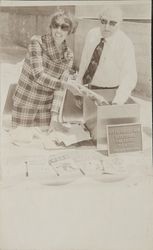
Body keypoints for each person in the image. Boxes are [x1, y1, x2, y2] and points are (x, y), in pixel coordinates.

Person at [12, 10, 78, 133]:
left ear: (70, 31)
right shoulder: (37, 42)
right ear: (51, 27)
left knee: (44, 146)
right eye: (55, 25)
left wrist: (54, 116)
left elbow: (60, 89)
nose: (58, 30)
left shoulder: (68, 55)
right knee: (21, 143)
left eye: (64, 27)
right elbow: (39, 76)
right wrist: (66, 85)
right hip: (26, 102)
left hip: (45, 108)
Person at [76, 6, 137, 105]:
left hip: (112, 93)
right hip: (89, 89)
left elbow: (129, 76)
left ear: (120, 24)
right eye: (103, 21)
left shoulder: (125, 43)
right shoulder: (92, 34)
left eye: (112, 23)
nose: (106, 27)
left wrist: (118, 101)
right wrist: (79, 89)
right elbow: (84, 62)